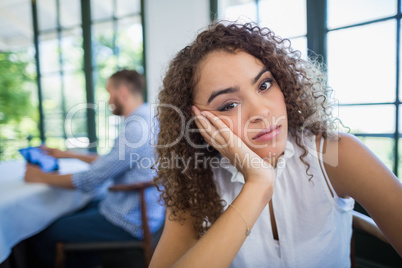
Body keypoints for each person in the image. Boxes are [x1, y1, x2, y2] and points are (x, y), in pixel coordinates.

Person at [149, 22, 402, 267]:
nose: (261, 112)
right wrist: (258, 184)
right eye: (229, 105)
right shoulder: (196, 179)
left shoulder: (336, 152)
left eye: (265, 84)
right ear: (197, 124)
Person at [24, 69, 165, 268]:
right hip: (143, 211)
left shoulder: (135, 128)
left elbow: (89, 181)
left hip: (129, 220)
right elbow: (112, 161)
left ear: (122, 92)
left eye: (109, 93)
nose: (109, 101)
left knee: (44, 234)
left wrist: (40, 177)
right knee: (72, 212)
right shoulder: (149, 118)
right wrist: (66, 154)